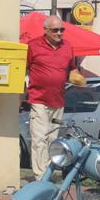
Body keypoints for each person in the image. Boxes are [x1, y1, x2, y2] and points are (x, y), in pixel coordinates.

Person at [26, 15, 81, 179]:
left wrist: (79, 79)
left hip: (58, 101)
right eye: (55, 30)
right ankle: (40, 176)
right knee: (39, 140)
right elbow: (23, 68)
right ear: (46, 30)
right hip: (39, 99)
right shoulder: (33, 46)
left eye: (62, 30)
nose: (59, 33)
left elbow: (72, 69)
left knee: (52, 141)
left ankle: (48, 174)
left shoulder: (67, 47)